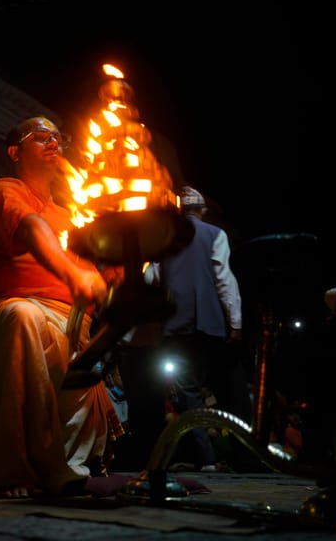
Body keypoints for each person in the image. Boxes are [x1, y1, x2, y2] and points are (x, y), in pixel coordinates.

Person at [0, 116, 120, 498]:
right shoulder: (4, 190)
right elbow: (31, 228)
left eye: (59, 137)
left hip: (76, 328)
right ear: (15, 152)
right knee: (24, 317)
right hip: (21, 307)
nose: (54, 143)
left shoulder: (73, 213)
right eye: (40, 138)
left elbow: (103, 271)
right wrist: (72, 274)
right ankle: (15, 466)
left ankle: (63, 461)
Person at [119, 185, 248, 471]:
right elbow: (225, 280)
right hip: (211, 325)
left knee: (188, 389)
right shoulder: (215, 234)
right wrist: (236, 324)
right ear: (201, 211)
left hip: (174, 326)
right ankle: (244, 456)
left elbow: (151, 277)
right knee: (226, 387)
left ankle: (206, 459)